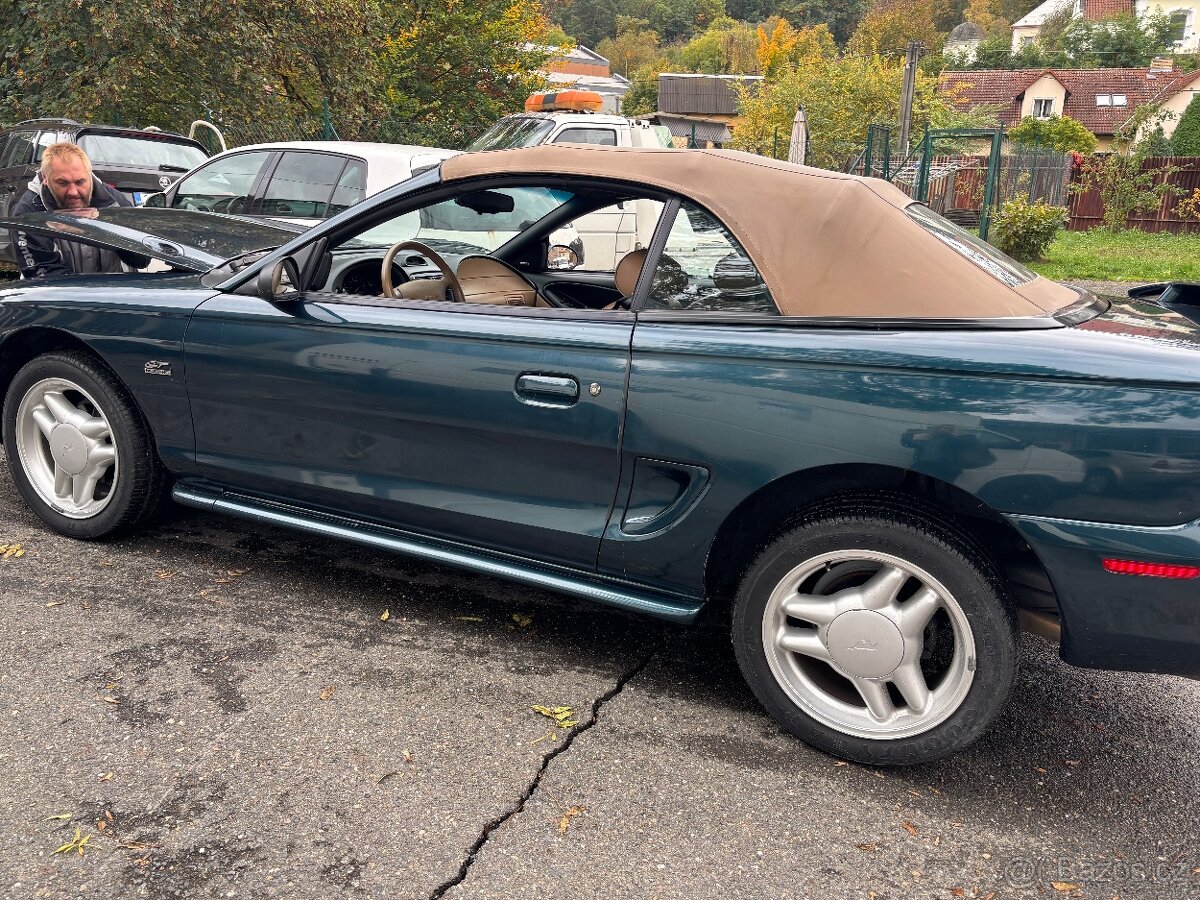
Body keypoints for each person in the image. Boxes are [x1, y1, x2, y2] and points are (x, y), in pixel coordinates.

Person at [10, 142, 147, 279]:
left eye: (80, 182)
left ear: (89, 175)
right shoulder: (29, 213)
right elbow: (43, 276)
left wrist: (114, 233)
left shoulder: (114, 202)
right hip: (62, 291)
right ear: (45, 178)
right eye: (62, 183)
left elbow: (141, 260)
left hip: (114, 288)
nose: (73, 192)